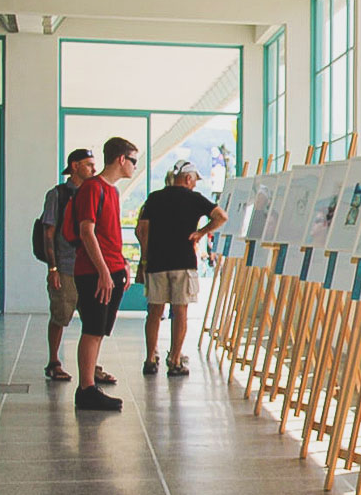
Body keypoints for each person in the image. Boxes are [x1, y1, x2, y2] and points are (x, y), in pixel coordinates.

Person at [135, 160, 226, 376]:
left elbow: (141, 230)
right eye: (194, 180)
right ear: (188, 178)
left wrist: (144, 260)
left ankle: (150, 358)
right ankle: (175, 360)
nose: (194, 185)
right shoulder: (194, 198)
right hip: (183, 263)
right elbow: (221, 216)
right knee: (180, 311)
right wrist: (201, 233)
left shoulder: (154, 198)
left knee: (155, 311)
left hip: (157, 263)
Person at [39, 148, 118, 388]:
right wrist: (53, 269)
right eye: (88, 165)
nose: (94, 169)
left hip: (90, 268)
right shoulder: (58, 195)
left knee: (93, 321)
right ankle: (54, 361)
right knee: (61, 314)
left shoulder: (95, 190)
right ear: (74, 166)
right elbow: (49, 232)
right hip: (66, 265)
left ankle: (91, 368)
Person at [70, 137, 137, 411]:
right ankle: (86, 388)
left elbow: (109, 234)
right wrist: (103, 271)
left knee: (99, 330)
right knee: (92, 328)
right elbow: (87, 231)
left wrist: (122, 263)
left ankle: (90, 384)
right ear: (121, 159)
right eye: (133, 160)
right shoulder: (92, 188)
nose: (134, 166)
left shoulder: (112, 191)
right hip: (95, 272)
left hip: (111, 269)